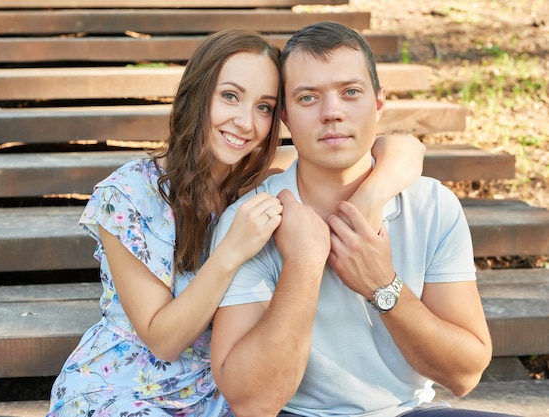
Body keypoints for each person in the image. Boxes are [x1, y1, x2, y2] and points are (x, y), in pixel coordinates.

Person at [46, 28, 426, 417]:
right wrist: (230, 251)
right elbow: (164, 340)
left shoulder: (259, 181)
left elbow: (406, 149)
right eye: (230, 96)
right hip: (128, 391)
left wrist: (369, 198)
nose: (245, 122)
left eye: (263, 107)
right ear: (196, 95)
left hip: (224, 392)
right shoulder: (128, 194)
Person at [209, 22, 516, 417]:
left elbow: (464, 374)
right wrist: (303, 267)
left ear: (379, 103)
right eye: (308, 98)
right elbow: (252, 403)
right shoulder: (252, 219)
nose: (332, 113)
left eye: (350, 92)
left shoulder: (431, 205)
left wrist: (382, 287)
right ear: (285, 116)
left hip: (407, 411)